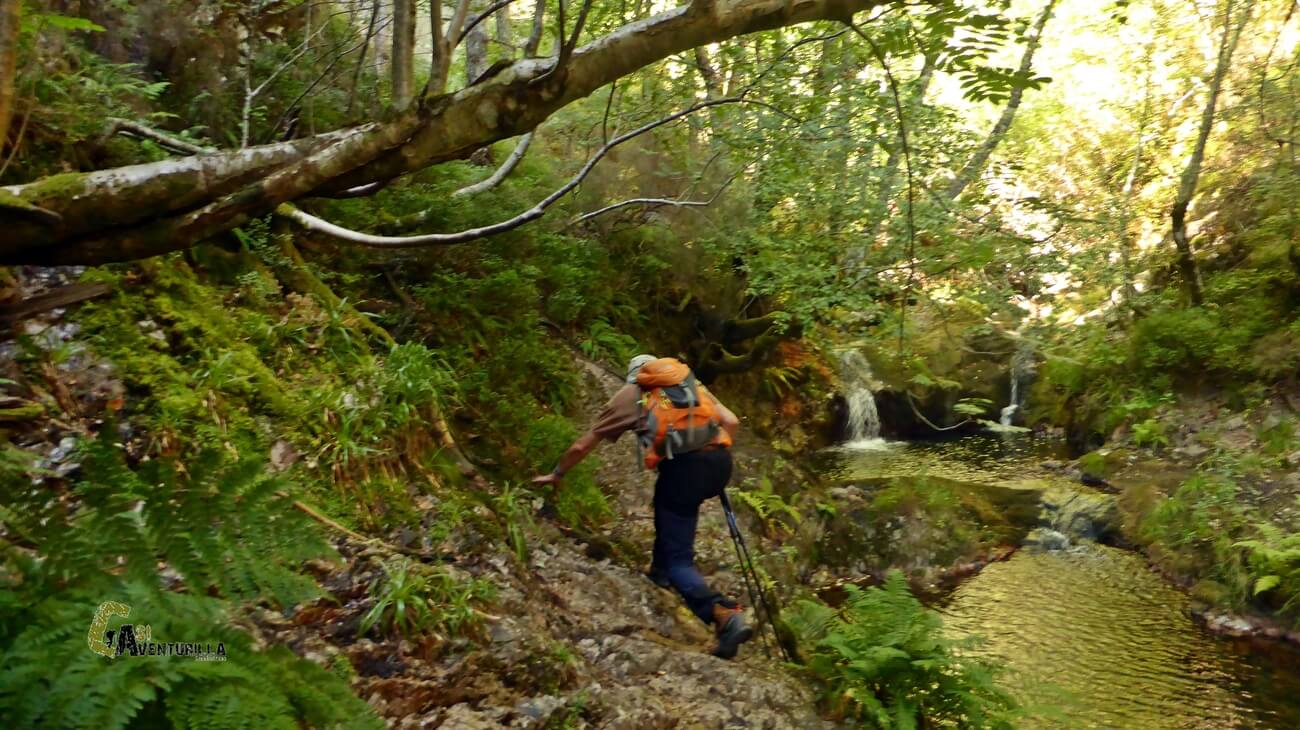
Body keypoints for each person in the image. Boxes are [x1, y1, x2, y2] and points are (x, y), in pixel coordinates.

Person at [533, 354, 754, 659]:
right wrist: (710, 457)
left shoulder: (632, 394)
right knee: (674, 512)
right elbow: (731, 421)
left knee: (680, 557)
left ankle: (723, 614)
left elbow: (582, 445)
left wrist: (557, 474)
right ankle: (660, 574)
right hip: (719, 462)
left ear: (636, 377)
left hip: (685, 470)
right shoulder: (691, 385)